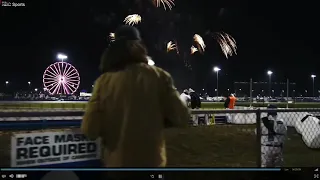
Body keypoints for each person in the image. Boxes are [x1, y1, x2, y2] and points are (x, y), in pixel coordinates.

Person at [81, 25, 190, 178]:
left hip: (117, 167)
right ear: (139, 46)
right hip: (152, 165)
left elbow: (89, 130)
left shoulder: (103, 82)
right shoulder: (159, 76)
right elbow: (182, 117)